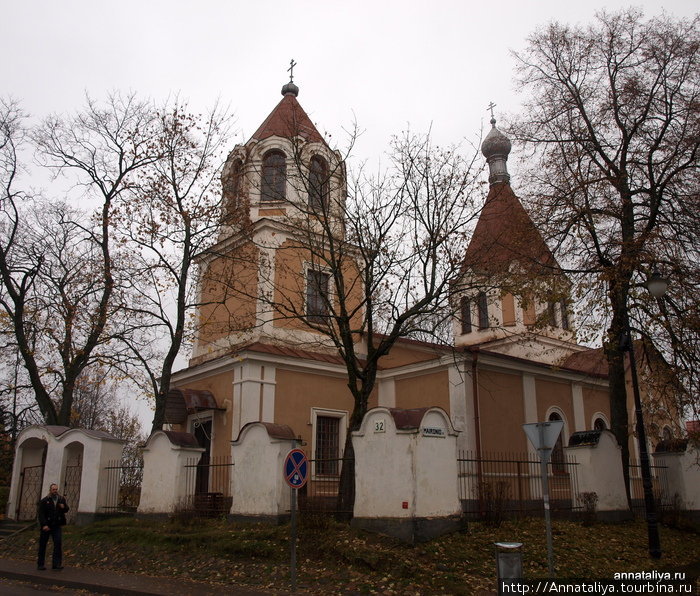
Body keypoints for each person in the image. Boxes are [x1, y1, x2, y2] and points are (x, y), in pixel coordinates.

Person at [36, 483, 69, 570]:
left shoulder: (61, 499)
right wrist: (44, 525)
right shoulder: (45, 500)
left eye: (56, 489)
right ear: (50, 490)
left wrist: (63, 507)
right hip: (47, 525)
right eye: (53, 489)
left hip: (56, 525)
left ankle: (56, 564)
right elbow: (41, 514)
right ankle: (40, 564)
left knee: (58, 543)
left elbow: (66, 509)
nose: (55, 491)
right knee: (43, 545)